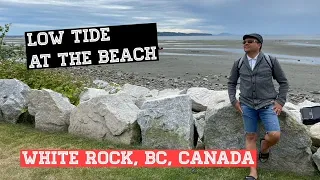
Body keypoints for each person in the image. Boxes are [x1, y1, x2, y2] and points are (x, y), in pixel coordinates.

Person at [227, 33, 289, 180]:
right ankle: (253, 172)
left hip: (267, 104)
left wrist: (280, 101)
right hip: (246, 105)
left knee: (274, 135)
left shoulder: (270, 61)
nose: (245, 44)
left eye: (249, 41)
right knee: (250, 136)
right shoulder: (239, 63)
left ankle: (264, 147)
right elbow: (231, 83)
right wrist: (233, 101)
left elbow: (284, 83)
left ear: (259, 44)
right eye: (244, 42)